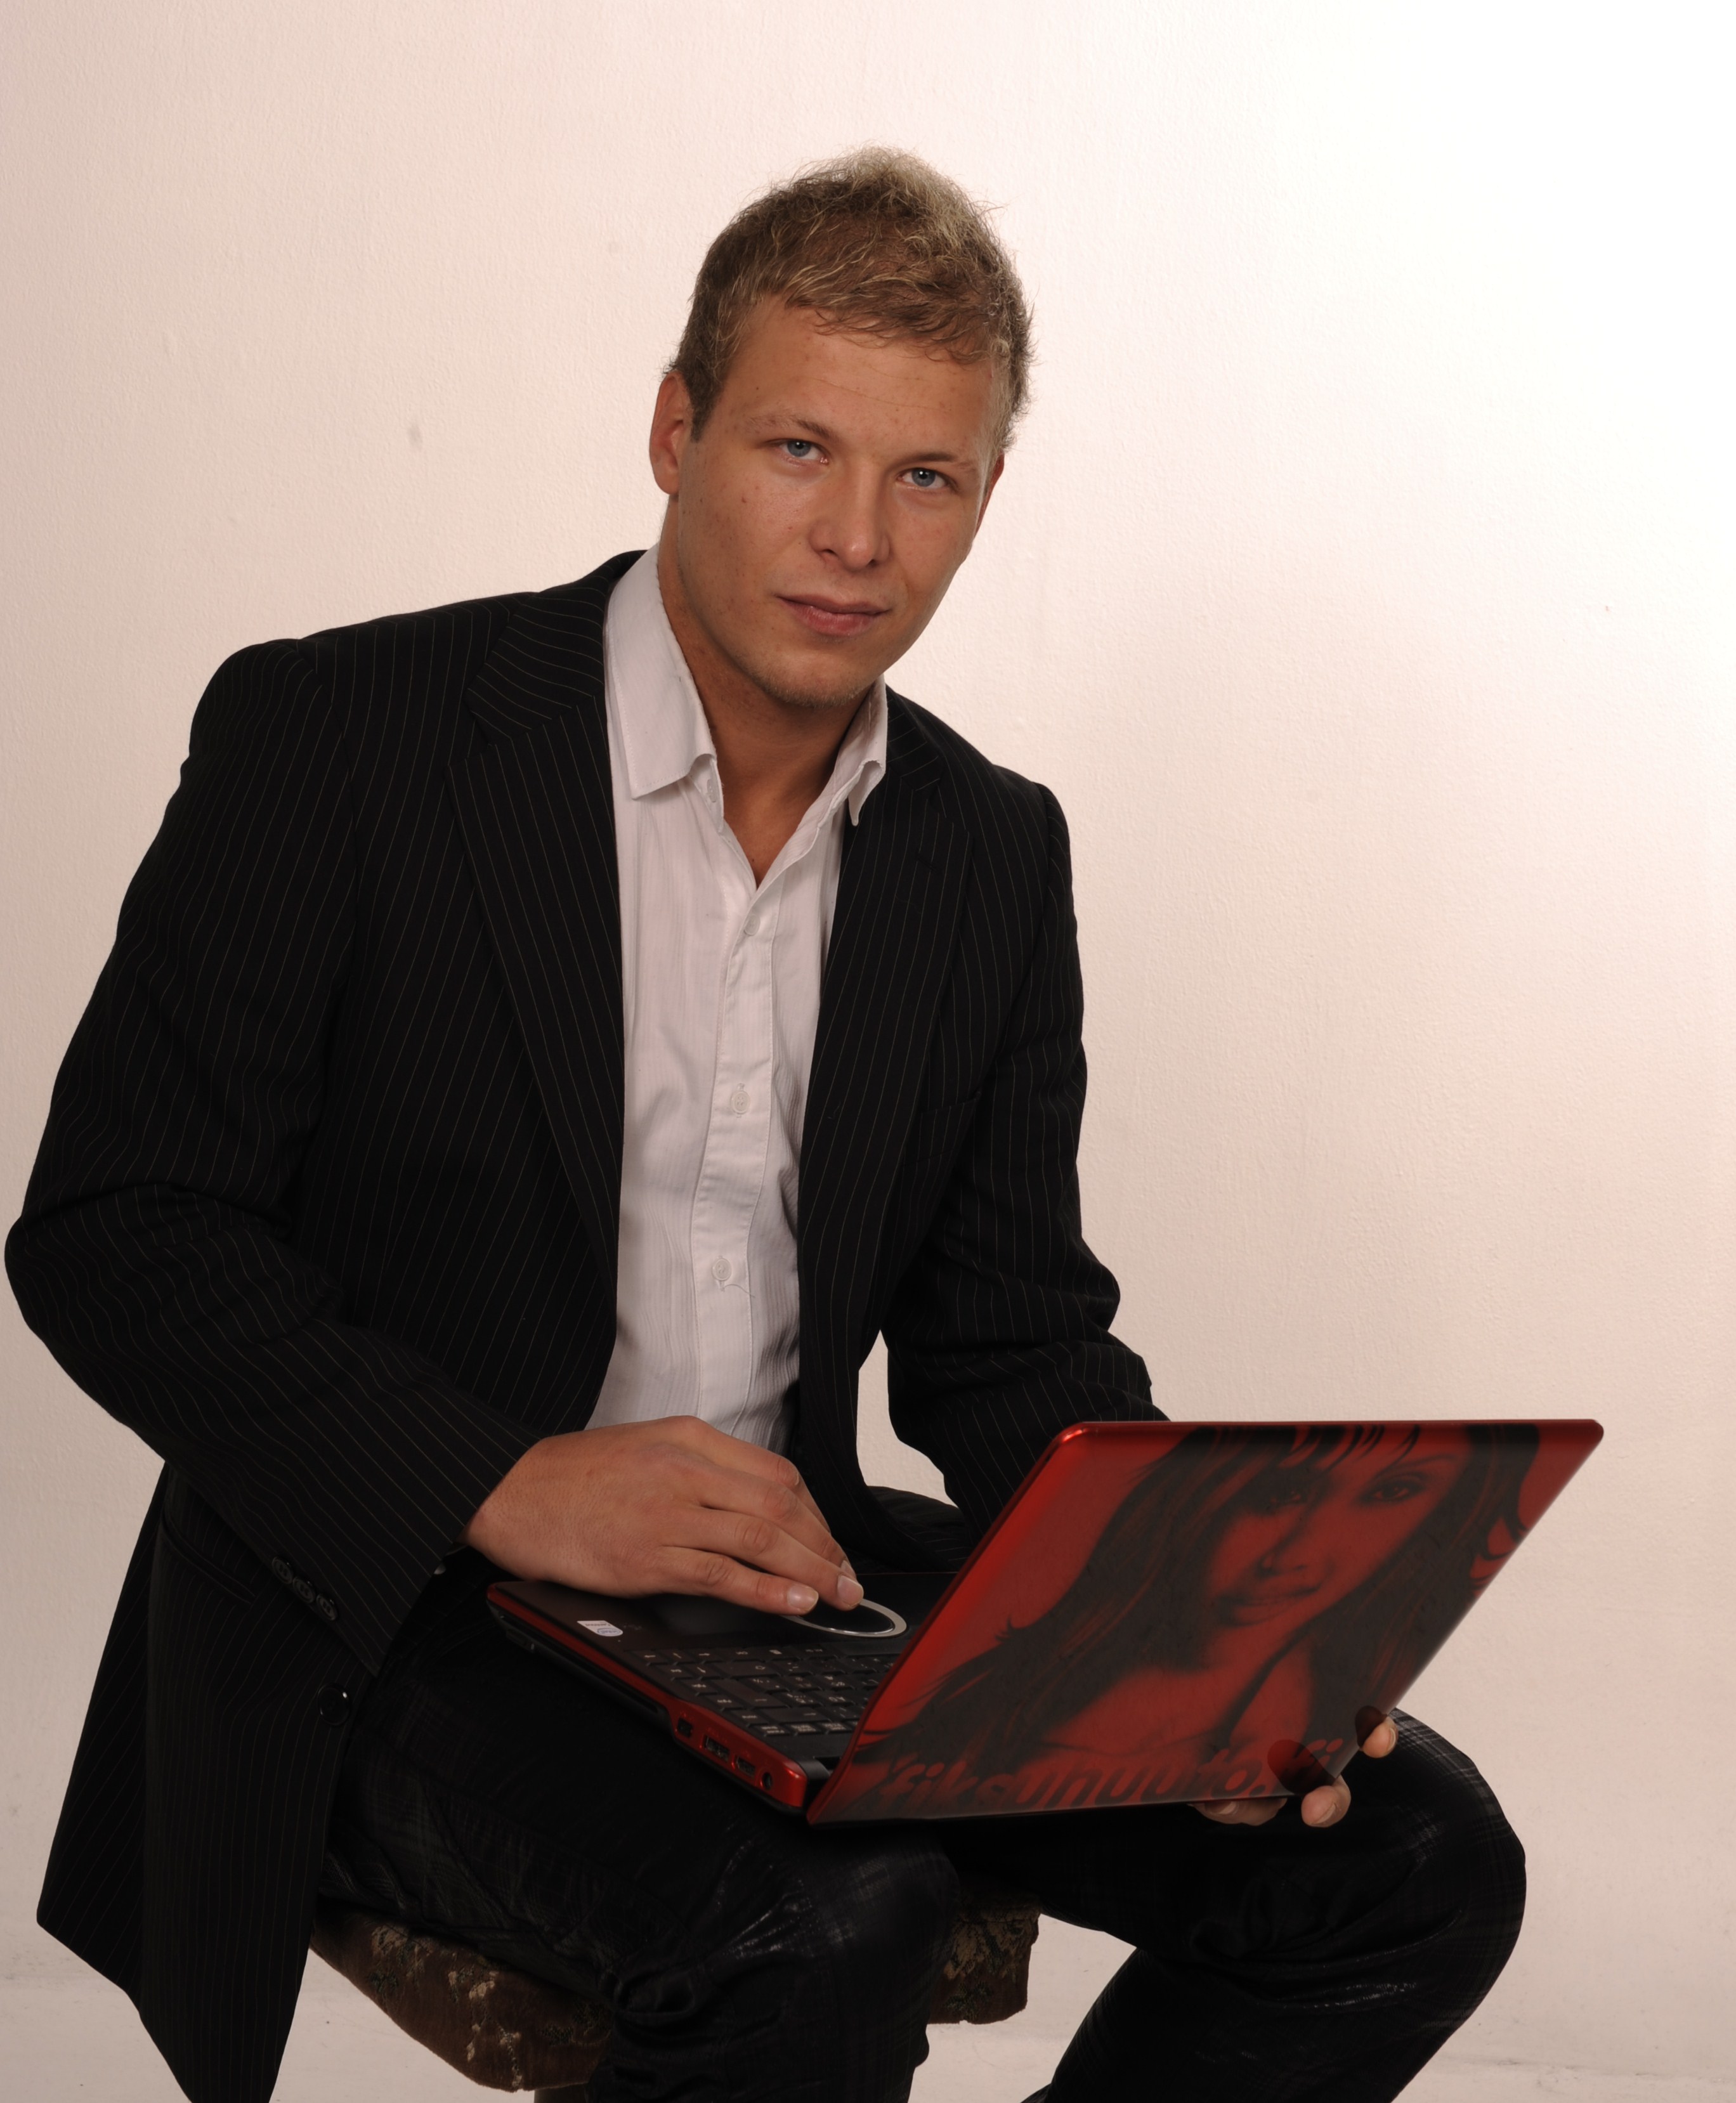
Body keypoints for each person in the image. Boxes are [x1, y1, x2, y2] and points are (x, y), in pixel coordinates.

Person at [7, 149, 1525, 2103]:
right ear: (676, 429)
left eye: (928, 476)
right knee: (825, 1915)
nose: (857, 538)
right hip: (391, 1608)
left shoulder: (986, 847)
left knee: (1414, 1857)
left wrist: (1194, 1636)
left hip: (792, 1594)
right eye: (800, 447)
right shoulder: (350, 735)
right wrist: (502, 1477)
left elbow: (1008, 1341)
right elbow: (120, 1225)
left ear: (986, 498)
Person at [838, 1421, 1538, 1817]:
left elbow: (1018, 1343)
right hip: (852, 1598)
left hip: (869, 1546)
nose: (1298, 1558)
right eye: (1282, 1493)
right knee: (862, 1905)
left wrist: (1273, 1672)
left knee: (1441, 1836)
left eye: (1391, 1493)